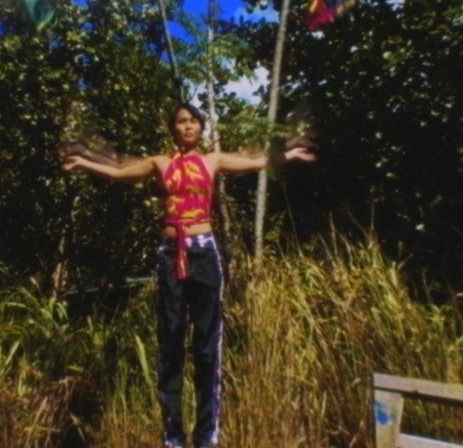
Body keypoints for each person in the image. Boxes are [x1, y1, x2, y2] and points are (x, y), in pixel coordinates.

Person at [60, 103, 314, 448]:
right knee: (170, 344)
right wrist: (84, 163)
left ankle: (206, 436)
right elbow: (120, 171)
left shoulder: (212, 160)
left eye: (194, 120)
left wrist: (289, 154)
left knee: (207, 347)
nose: (189, 126)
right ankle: (172, 437)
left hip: (204, 253)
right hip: (170, 255)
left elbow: (256, 161)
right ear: (173, 128)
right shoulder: (159, 163)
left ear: (201, 127)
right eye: (182, 121)